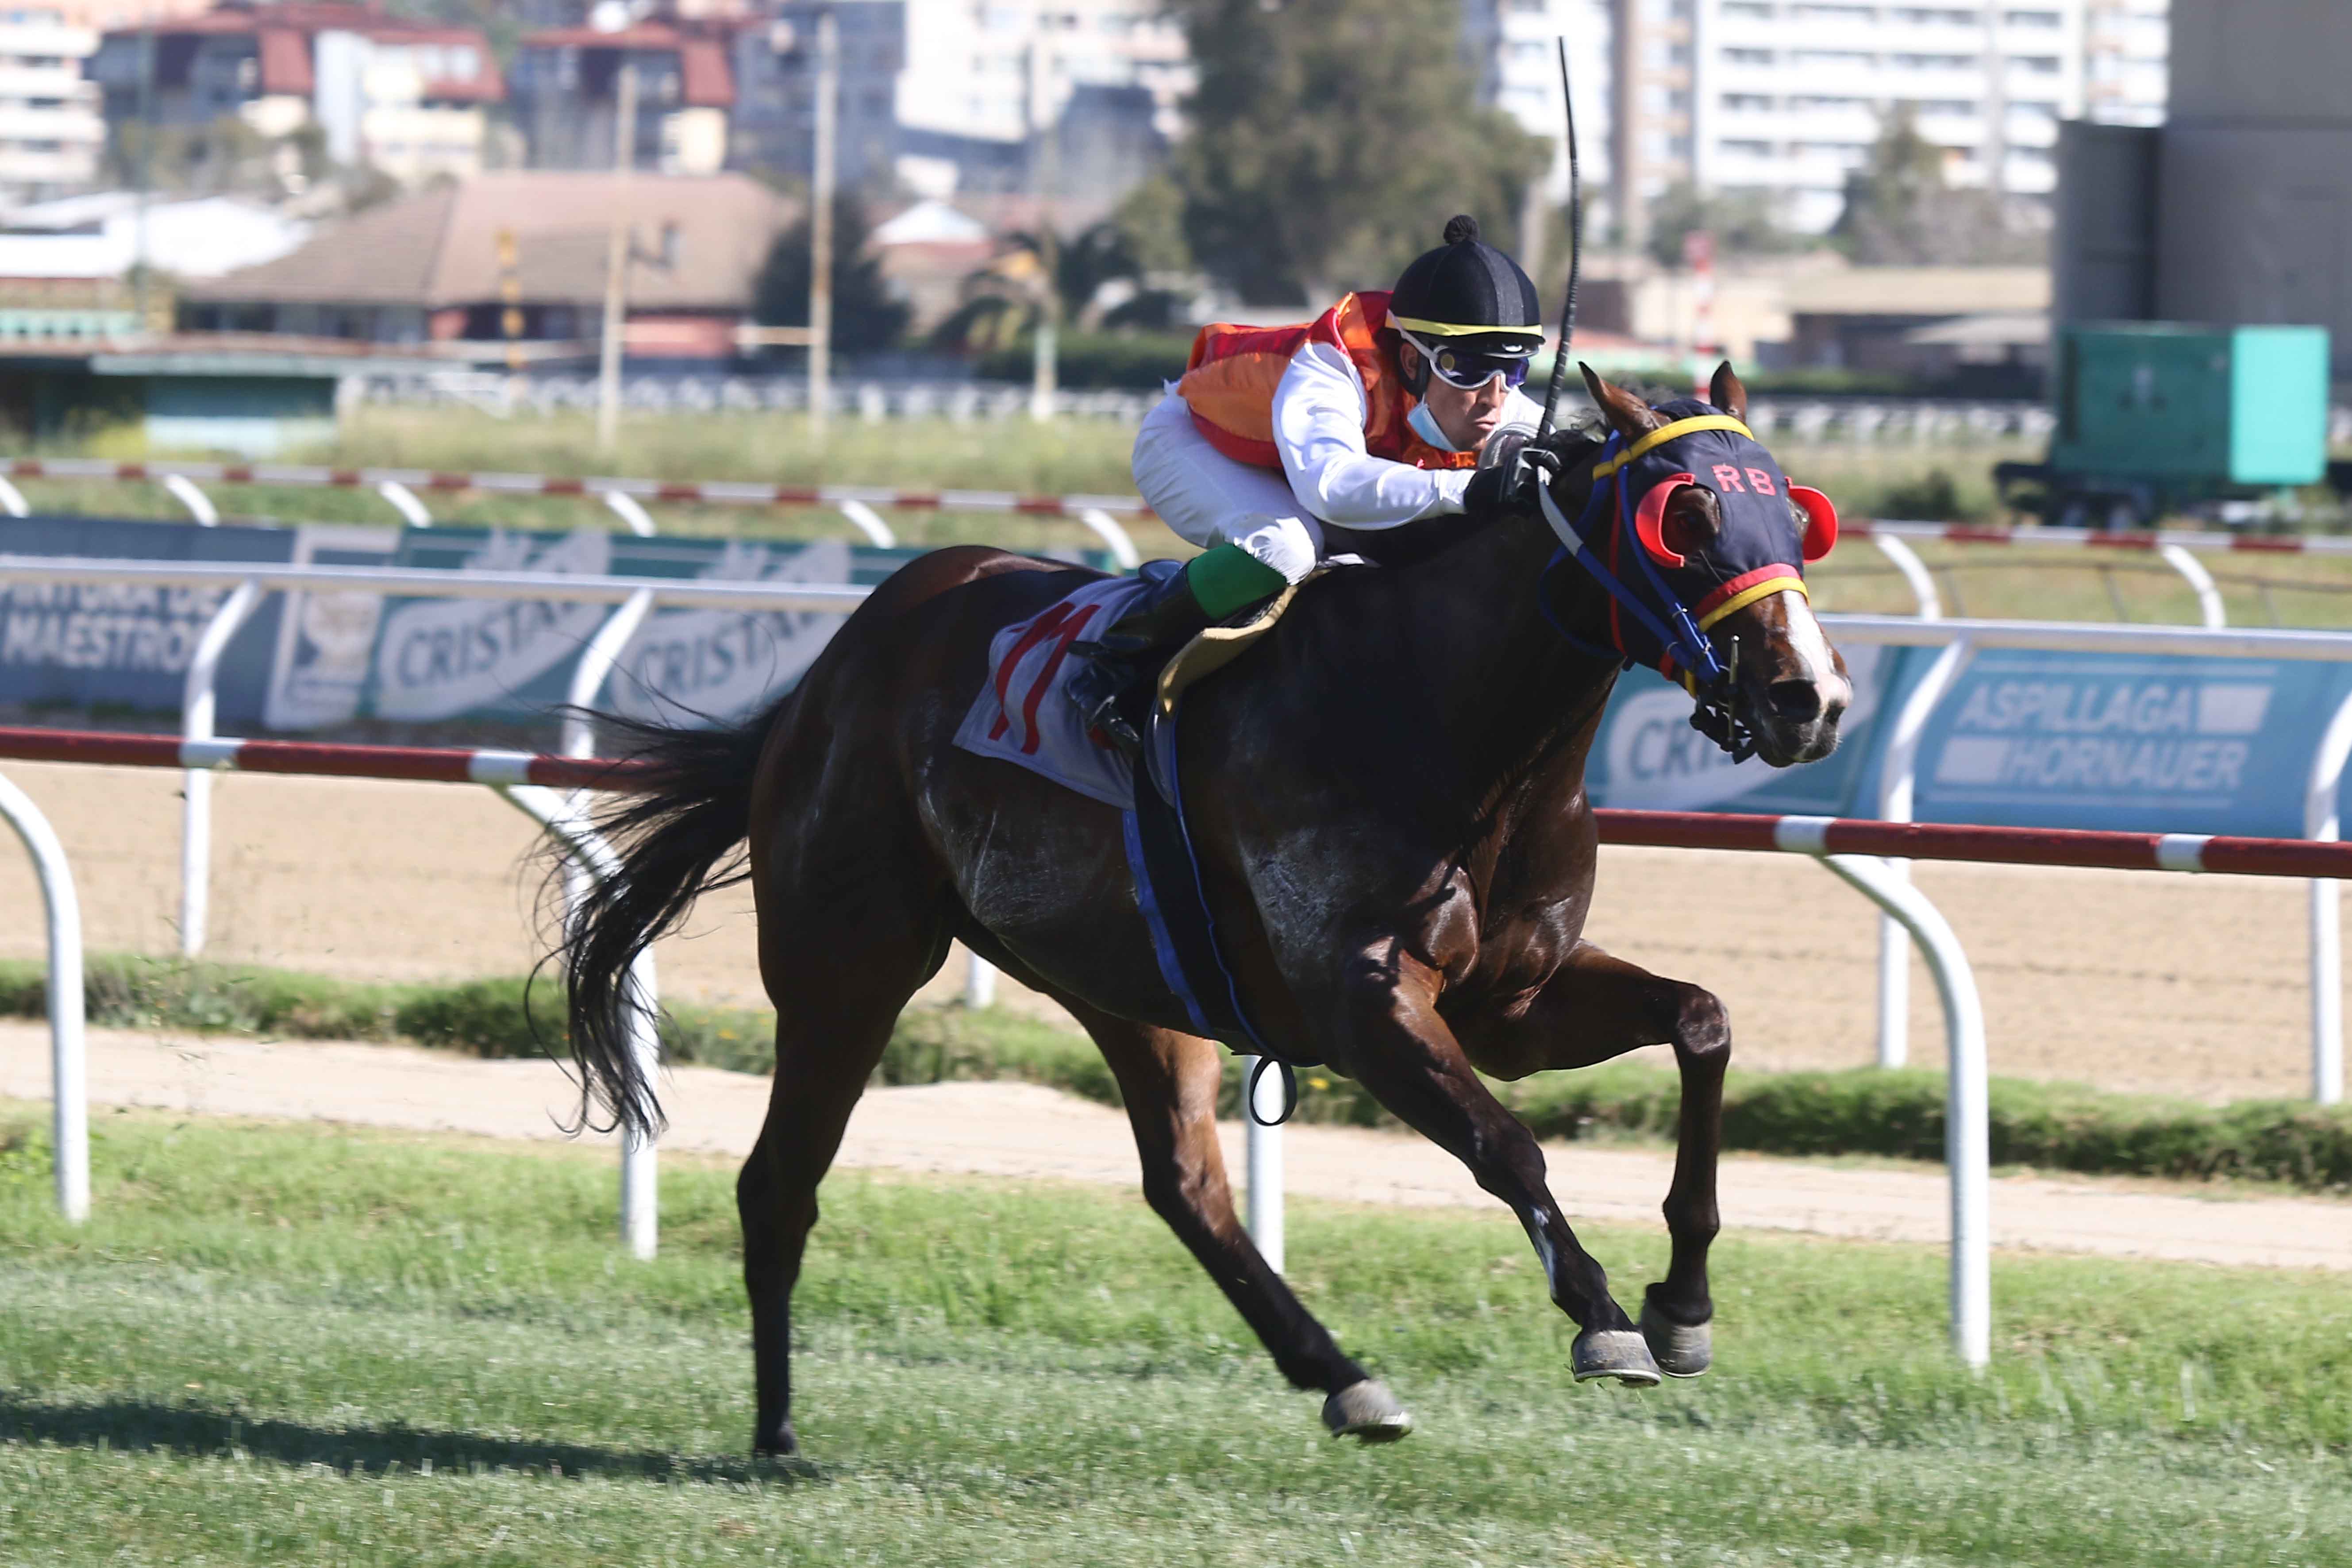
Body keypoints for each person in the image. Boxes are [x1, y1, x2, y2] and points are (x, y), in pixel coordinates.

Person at [1068, 214, 1551, 749]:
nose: (1493, 399)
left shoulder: (1498, 400)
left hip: (1288, 465)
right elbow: (1330, 486)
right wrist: (1466, 489)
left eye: (1513, 371)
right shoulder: (1332, 365)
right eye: (1470, 371)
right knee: (1287, 546)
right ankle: (1119, 659)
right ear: (1411, 359)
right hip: (1193, 440)